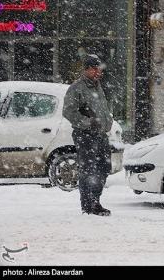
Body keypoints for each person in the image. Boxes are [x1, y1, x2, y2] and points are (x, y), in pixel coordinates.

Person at [63, 54, 113, 216]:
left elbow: (103, 109)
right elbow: (68, 111)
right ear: (87, 70)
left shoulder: (98, 86)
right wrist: (88, 122)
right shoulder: (77, 88)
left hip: (100, 134)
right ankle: (88, 205)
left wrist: (108, 121)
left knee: (104, 168)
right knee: (88, 170)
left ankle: (96, 201)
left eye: (99, 69)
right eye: (95, 69)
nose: (99, 72)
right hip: (85, 135)